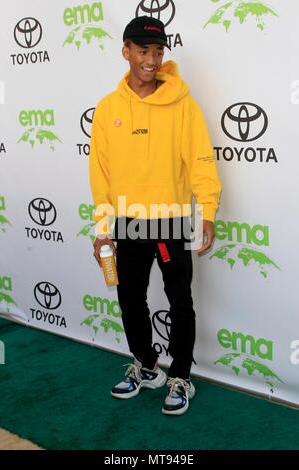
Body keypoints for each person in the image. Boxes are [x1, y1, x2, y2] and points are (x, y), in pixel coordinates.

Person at [89, 15, 221, 416]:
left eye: (158, 52)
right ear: (126, 51)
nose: (151, 59)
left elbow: (200, 160)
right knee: (130, 300)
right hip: (127, 222)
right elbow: (101, 173)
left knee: (180, 301)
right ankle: (146, 366)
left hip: (171, 219)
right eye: (143, 50)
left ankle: (180, 375)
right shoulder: (108, 108)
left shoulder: (183, 105)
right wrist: (102, 229)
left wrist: (209, 211)